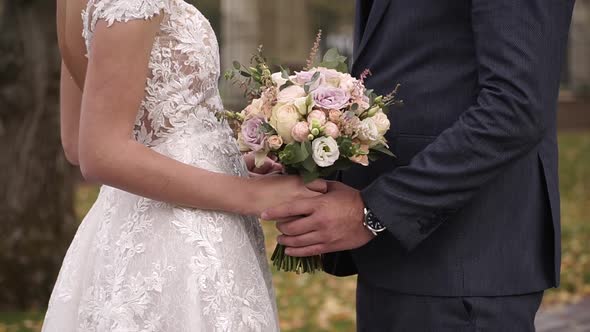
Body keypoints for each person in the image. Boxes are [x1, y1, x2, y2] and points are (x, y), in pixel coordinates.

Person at [264, 0, 576, 330]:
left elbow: (515, 108)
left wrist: (373, 212)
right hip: (396, 253)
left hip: (465, 255)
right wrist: (312, 151)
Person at [44, 0, 326, 330]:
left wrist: (224, 161)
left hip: (142, 219)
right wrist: (251, 194)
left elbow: (76, 141)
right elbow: (99, 154)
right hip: (178, 240)